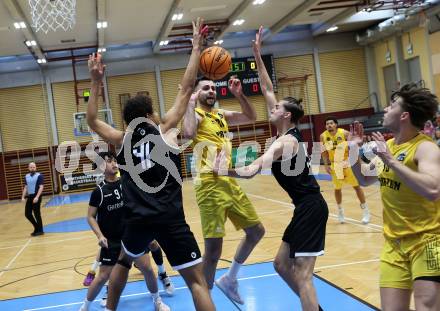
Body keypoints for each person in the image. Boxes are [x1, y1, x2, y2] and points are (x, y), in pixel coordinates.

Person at [87, 18, 215, 311]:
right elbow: (185, 89)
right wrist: (196, 47)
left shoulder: (120, 140)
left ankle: (110, 309)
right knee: (196, 281)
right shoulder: (165, 129)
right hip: (170, 217)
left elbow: (93, 120)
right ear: (149, 114)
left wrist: (95, 82)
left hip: (138, 220)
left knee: (123, 262)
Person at [211, 26, 328, 311]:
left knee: (302, 274)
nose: (271, 107)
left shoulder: (283, 143)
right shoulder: (283, 133)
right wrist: (256, 55)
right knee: (280, 264)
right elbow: (267, 87)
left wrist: (224, 170)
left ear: (286, 114)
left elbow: (251, 170)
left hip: (312, 207)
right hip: (304, 207)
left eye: (276, 108)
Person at [349, 83, 440, 311]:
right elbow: (364, 179)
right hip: (394, 244)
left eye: (392, 105)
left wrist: (390, 161)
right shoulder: (388, 146)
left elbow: (433, 190)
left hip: (428, 242)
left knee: (426, 307)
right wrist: (352, 150)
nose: (386, 109)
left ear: (405, 115)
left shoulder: (425, 149)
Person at [182, 72, 265, 304]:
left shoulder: (220, 115)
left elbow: (251, 115)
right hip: (209, 186)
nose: (211, 91)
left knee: (256, 231)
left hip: (228, 181)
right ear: (197, 93)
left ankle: (230, 279)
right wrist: (189, 102)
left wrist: (240, 94)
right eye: (205, 88)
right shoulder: (196, 115)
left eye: (213, 88)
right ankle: (206, 302)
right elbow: (188, 133)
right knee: (213, 252)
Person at [79, 151, 169, 311]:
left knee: (147, 269)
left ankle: (157, 301)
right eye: (109, 161)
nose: (114, 163)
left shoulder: (127, 183)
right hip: (111, 241)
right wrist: (99, 235)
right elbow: (90, 217)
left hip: (133, 236)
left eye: (114, 160)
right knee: (102, 277)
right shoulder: (98, 192)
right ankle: (85, 306)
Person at [320, 117, 370, 224]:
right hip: (335, 164)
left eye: (331, 123)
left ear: (336, 124)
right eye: (327, 124)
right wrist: (326, 164)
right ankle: (340, 211)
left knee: (356, 186)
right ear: (325, 126)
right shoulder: (323, 136)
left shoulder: (344, 133)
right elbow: (324, 152)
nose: (329, 125)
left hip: (347, 162)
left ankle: (366, 211)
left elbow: (355, 146)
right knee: (337, 189)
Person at [21, 162, 44, 236]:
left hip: (37, 196)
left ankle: (40, 230)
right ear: (28, 168)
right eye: (31, 167)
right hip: (30, 197)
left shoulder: (39, 176)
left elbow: (41, 187)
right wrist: (23, 197)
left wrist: (37, 197)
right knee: (27, 214)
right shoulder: (26, 176)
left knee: (37, 214)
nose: (32, 168)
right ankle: (36, 227)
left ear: (36, 168)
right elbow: (26, 187)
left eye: (34, 167)